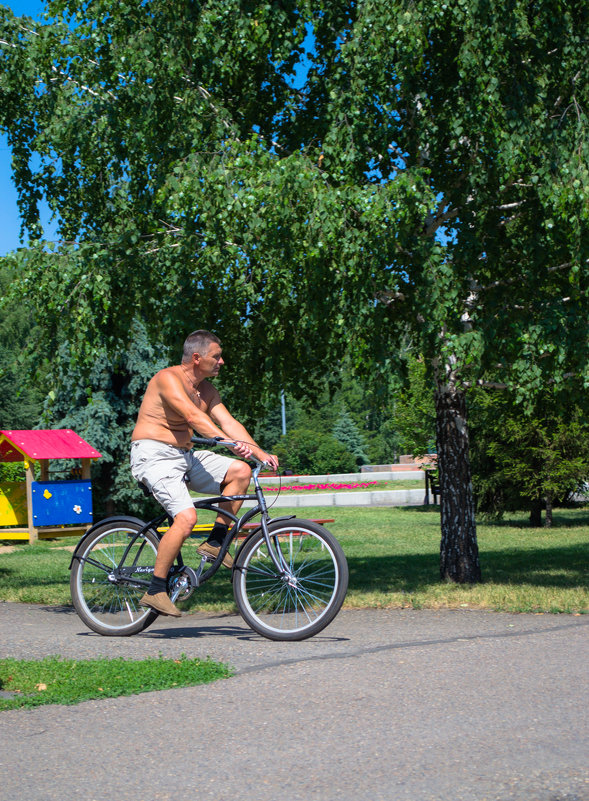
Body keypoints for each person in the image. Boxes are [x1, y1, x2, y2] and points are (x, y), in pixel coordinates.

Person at [130, 329, 279, 617]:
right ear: (197, 358)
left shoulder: (207, 391)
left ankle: (215, 542)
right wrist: (228, 443)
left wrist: (259, 452)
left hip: (184, 456)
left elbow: (229, 422)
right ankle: (155, 590)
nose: (222, 362)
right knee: (186, 518)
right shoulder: (167, 379)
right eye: (217, 356)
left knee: (240, 470)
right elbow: (192, 417)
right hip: (153, 455)